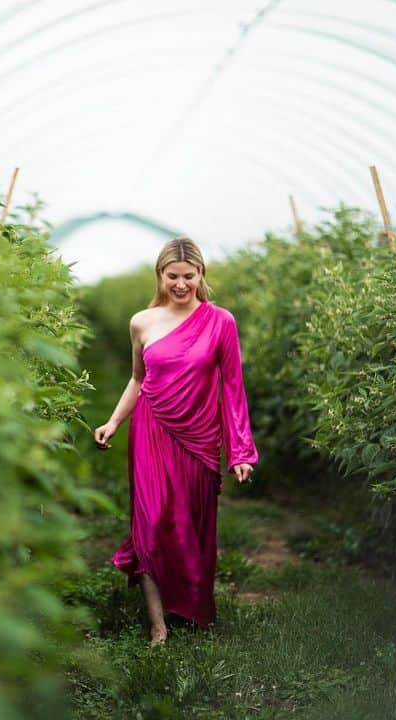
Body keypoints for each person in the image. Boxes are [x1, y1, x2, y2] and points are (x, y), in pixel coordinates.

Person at [93, 237, 258, 647]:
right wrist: (114, 421)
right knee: (149, 523)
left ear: (201, 275)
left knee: (190, 526)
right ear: (160, 276)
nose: (181, 284)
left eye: (189, 276)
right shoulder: (142, 322)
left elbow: (233, 389)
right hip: (151, 430)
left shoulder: (221, 322)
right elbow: (137, 378)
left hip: (199, 439)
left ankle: (191, 607)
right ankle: (158, 626)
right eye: (173, 277)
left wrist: (240, 450)